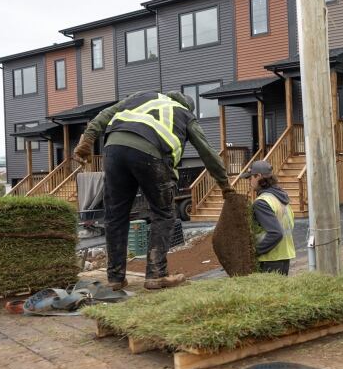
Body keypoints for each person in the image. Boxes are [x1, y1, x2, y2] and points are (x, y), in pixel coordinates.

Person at [73, 91, 232, 290]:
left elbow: (105, 114)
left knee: (115, 216)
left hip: (114, 150)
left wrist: (87, 140)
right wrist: (225, 186)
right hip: (150, 155)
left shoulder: (141, 97)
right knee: (164, 213)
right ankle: (156, 274)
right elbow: (207, 153)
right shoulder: (185, 114)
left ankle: (115, 279)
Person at [240, 160, 295, 275]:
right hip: (283, 257)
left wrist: (254, 252)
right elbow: (289, 225)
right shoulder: (280, 198)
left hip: (269, 259)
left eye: (251, 178)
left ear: (258, 176)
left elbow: (276, 233)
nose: (250, 181)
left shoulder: (262, 202)